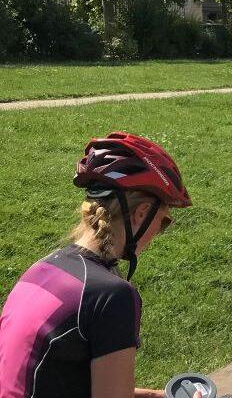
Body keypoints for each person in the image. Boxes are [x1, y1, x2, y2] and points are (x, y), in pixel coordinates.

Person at [0, 132, 193, 398]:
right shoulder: (112, 296)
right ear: (140, 214)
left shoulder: (43, 268)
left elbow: (61, 381)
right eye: (163, 222)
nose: (158, 234)